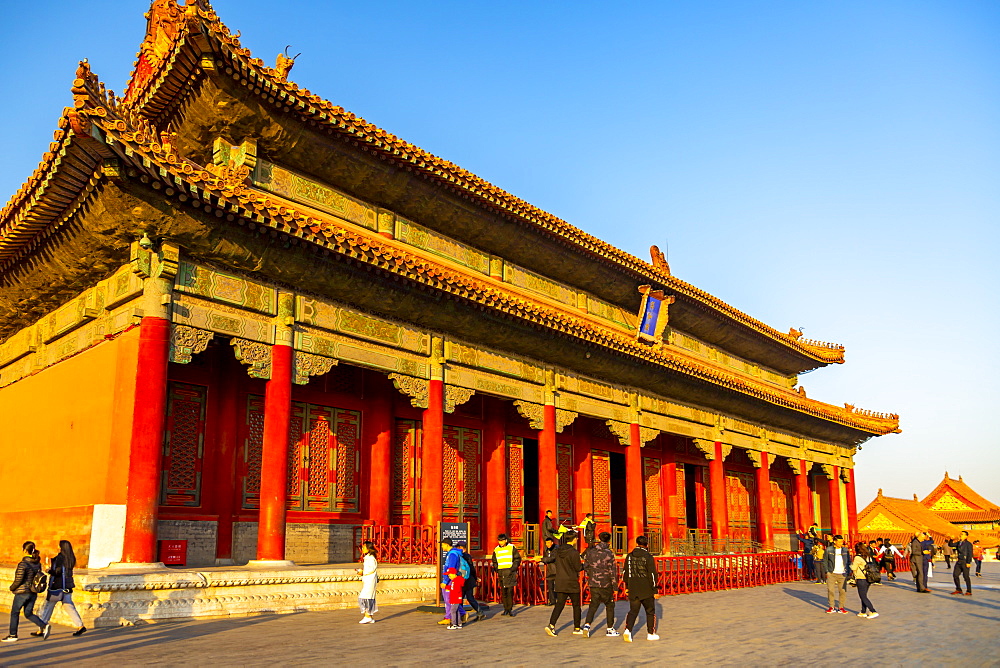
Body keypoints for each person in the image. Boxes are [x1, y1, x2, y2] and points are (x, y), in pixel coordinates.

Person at [38, 540, 85, 637]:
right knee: (69, 607)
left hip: (58, 587)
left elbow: (57, 572)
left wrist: (49, 571)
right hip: (68, 586)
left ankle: (42, 628)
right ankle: (80, 626)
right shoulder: (71, 558)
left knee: (48, 606)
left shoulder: (60, 558)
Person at [3, 542, 48, 643]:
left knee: (15, 612)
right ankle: (44, 626)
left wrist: (12, 587)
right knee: (28, 613)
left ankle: (12, 635)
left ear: (24, 550)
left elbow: (19, 579)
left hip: (22, 592)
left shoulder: (23, 564)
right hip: (33, 592)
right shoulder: (37, 563)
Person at [544, 531, 584, 637]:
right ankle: (577, 627)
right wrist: (586, 565)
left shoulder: (558, 551)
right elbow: (578, 568)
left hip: (560, 580)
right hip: (571, 581)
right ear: (574, 539)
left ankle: (551, 625)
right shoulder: (574, 552)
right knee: (576, 605)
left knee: (559, 605)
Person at [581, 531, 619, 638]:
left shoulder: (591, 552)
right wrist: (615, 586)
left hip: (594, 582)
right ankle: (610, 628)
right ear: (609, 540)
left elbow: (586, 566)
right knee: (610, 605)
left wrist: (592, 574)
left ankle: (587, 625)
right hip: (606, 583)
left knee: (593, 604)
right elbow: (612, 570)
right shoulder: (609, 553)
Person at [622, 535, 658, 642]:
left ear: (637, 543)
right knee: (650, 611)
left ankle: (628, 630)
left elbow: (625, 573)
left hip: (633, 587)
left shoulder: (629, 556)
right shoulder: (648, 557)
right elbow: (652, 574)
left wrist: (627, 586)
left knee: (633, 611)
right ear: (646, 545)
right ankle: (650, 633)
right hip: (646, 588)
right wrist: (654, 589)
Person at [492, 534, 521, 617]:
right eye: (499, 540)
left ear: (506, 540)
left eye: (502, 540)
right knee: (503, 592)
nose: (501, 542)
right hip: (501, 572)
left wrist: (513, 568)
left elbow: (517, 559)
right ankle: (505, 609)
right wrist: (497, 568)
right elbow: (494, 560)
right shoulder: (496, 549)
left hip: (509, 572)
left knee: (510, 591)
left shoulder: (511, 547)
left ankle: (510, 609)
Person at [438, 538, 465, 625]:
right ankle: (462, 614)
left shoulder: (452, 554)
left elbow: (451, 569)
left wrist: (445, 581)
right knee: (451, 599)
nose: (442, 547)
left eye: (442, 545)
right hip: (449, 579)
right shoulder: (452, 553)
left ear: (446, 544)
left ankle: (449, 617)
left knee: (449, 599)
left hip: (450, 580)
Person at [823, 534, 851, 614]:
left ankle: (841, 607)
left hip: (842, 573)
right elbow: (825, 561)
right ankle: (831, 606)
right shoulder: (829, 550)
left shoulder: (845, 550)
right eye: (839, 541)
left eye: (842, 541)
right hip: (832, 573)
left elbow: (849, 561)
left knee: (842, 591)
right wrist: (827, 571)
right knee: (830, 590)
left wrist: (848, 571)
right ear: (834, 541)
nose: (841, 543)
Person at [850, 542, 879, 619]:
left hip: (861, 578)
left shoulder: (857, 558)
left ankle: (873, 611)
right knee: (864, 595)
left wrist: (850, 565)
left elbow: (853, 568)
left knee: (863, 596)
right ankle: (863, 611)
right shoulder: (868, 556)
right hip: (868, 578)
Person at [456, 541, 481, 622]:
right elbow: (472, 569)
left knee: (462, 598)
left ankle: (462, 615)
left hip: (465, 580)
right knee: (469, 598)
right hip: (469, 580)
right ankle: (479, 612)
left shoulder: (461, 556)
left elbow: (471, 569)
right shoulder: (467, 556)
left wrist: (475, 577)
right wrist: (475, 577)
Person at [356, 540, 378, 624]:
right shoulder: (368, 557)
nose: (362, 549)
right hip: (368, 579)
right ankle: (369, 616)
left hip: (370, 580)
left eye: (364, 547)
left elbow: (371, 569)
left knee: (365, 597)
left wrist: (362, 572)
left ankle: (367, 616)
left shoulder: (371, 558)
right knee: (367, 597)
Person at [947, 531, 973, 597]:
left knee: (966, 577)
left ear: (966, 536)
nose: (960, 535)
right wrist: (951, 539)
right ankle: (958, 589)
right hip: (959, 561)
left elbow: (970, 553)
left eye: (962, 534)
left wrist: (968, 562)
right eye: (960, 534)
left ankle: (969, 591)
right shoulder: (959, 543)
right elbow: (950, 545)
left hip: (965, 561)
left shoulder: (968, 544)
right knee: (955, 575)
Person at [443, 565, 465, 629]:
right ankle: (459, 623)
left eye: (449, 575)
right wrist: (447, 587)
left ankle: (454, 624)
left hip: (456, 598)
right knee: (456, 610)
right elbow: (453, 588)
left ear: (453, 574)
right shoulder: (454, 580)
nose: (449, 577)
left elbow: (456, 590)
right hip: (455, 598)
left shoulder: (457, 580)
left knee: (452, 611)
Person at [541, 536, 558, 605]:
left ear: (552, 542)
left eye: (548, 543)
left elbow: (552, 558)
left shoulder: (556, 549)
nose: (547, 544)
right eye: (546, 543)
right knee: (550, 586)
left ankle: (560, 600)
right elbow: (546, 557)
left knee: (558, 586)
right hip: (550, 570)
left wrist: (542, 559)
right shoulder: (546, 550)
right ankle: (552, 600)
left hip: (556, 570)